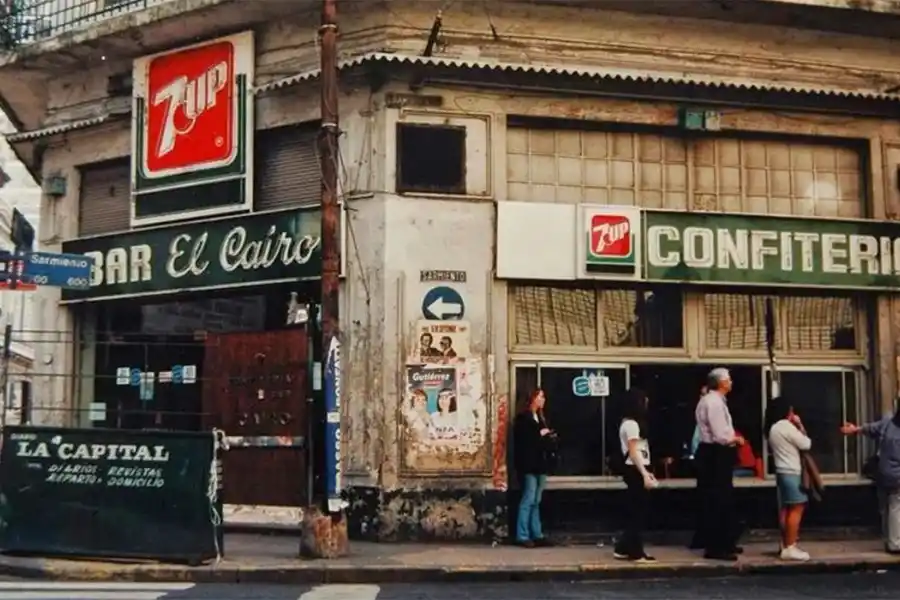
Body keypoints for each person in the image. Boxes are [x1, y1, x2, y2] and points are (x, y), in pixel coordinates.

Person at [693, 367, 745, 561]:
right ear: (721, 382)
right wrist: (736, 439)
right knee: (720, 499)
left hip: (711, 453)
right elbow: (721, 434)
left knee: (718, 499)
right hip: (716, 453)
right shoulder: (714, 402)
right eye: (728, 379)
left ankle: (724, 542)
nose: (731, 382)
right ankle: (717, 547)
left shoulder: (709, 400)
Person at [841, 405, 900, 554]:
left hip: (882, 472)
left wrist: (855, 429)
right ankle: (895, 543)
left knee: (885, 508)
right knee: (895, 507)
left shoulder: (887, 423)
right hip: (897, 475)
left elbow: (870, 428)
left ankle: (888, 540)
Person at [613, 388, 658, 563]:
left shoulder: (629, 423)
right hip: (635, 469)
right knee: (638, 511)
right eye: (643, 401)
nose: (646, 404)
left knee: (636, 510)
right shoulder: (631, 425)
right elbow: (634, 451)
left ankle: (624, 547)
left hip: (636, 468)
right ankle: (635, 551)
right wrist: (645, 473)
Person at [766, 396, 812, 561]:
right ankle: (791, 546)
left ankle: (785, 543)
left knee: (785, 509)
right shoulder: (786, 426)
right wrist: (799, 424)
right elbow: (806, 443)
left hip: (781, 471)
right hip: (792, 471)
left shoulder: (773, 429)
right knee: (796, 509)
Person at [513, 388, 555, 548]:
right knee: (528, 498)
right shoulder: (523, 419)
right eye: (541, 396)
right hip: (528, 465)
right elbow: (525, 443)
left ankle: (536, 533)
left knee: (536, 500)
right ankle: (522, 534)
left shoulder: (541, 418)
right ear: (532, 398)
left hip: (541, 464)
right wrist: (541, 435)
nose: (543, 399)